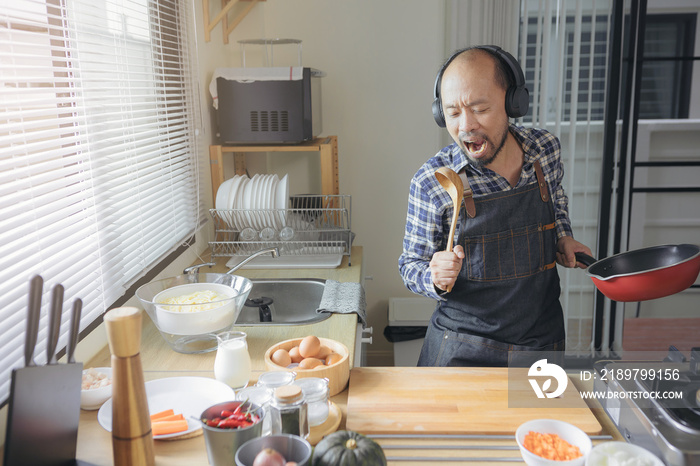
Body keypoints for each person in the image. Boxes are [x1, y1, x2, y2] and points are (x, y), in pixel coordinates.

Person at [398, 45, 592, 367]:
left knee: (536, 420)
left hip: (540, 343)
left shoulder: (544, 151)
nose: (466, 127)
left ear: (513, 102)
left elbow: (556, 203)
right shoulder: (433, 182)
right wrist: (433, 276)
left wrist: (563, 237)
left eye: (480, 109)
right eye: (454, 113)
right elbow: (410, 265)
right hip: (463, 348)